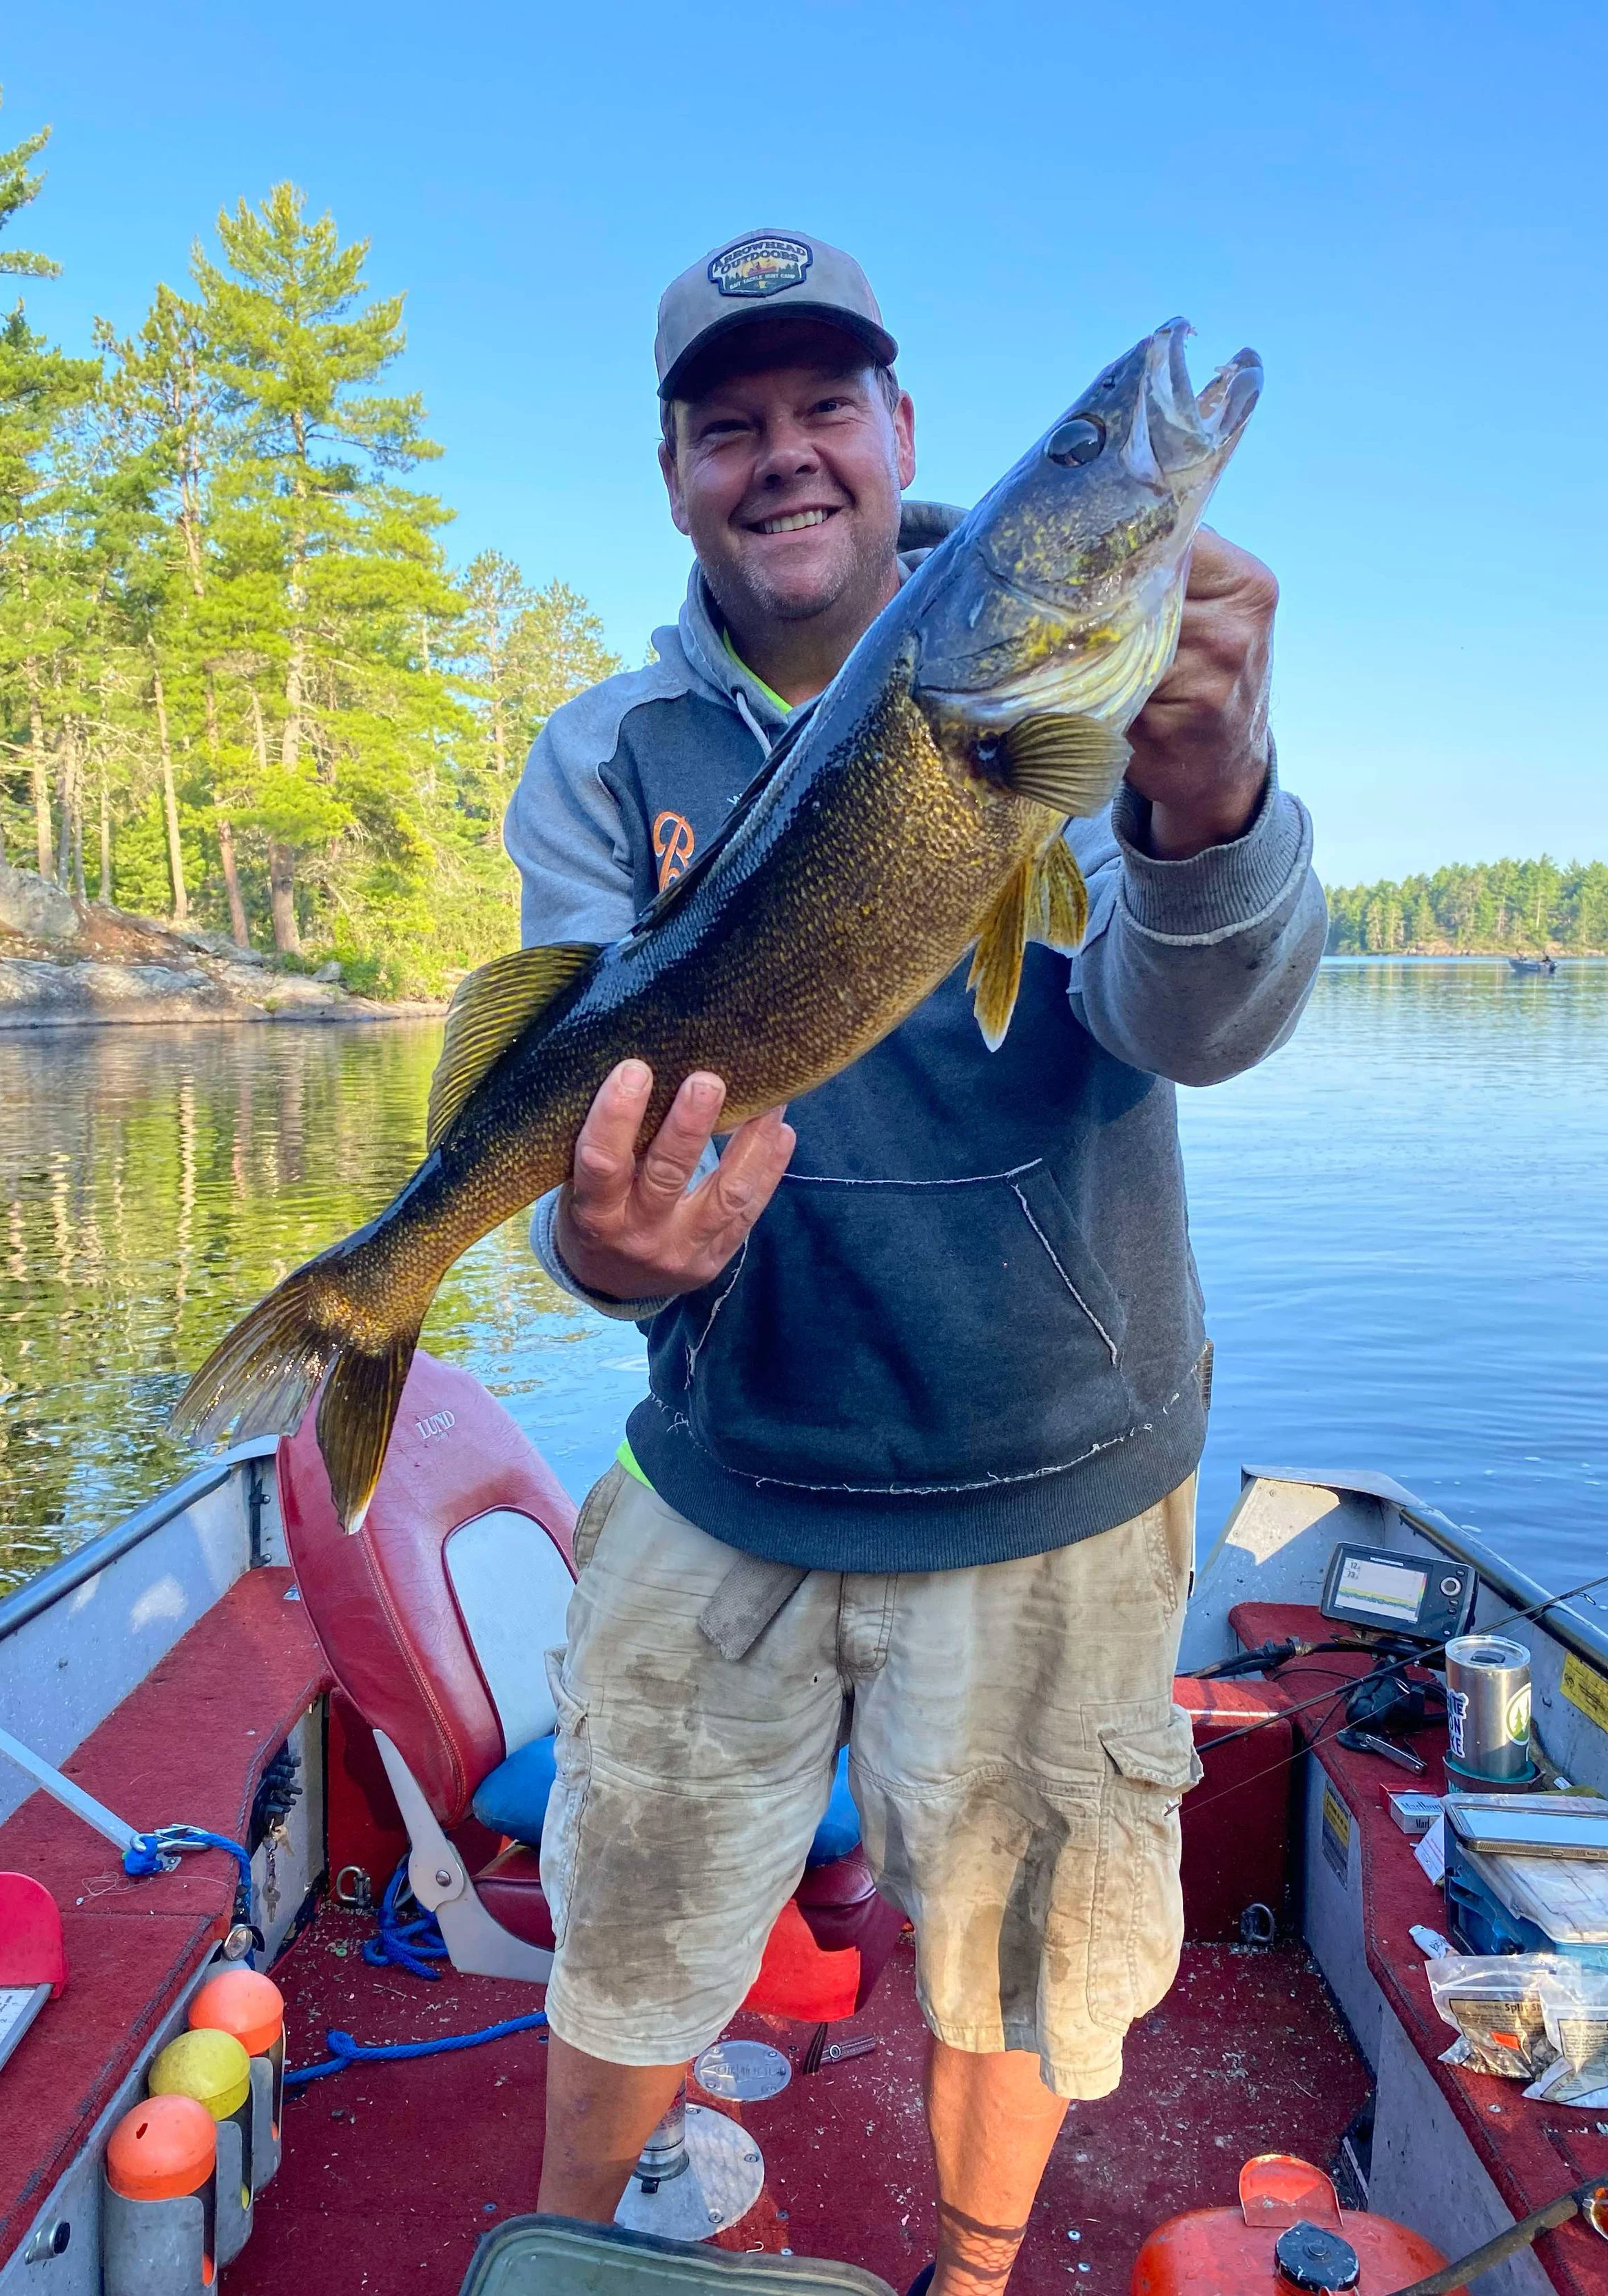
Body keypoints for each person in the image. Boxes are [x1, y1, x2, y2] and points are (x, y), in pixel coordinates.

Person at [504, 228, 1326, 2296]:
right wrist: (601, 1258)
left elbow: (1196, 1028)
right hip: (734, 1459)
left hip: (1055, 1460)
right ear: (675, 471)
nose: (781, 458)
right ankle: (571, 2253)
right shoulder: (606, 756)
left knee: (1022, 1960)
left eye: (821, 411)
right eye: (728, 426)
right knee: (631, 1901)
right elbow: (570, 1155)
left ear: (899, 436)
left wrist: (1209, 795)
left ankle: (968, 2279)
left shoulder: (1079, 676)